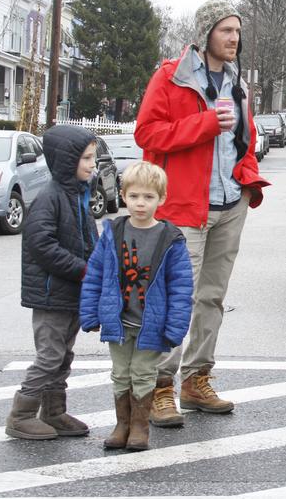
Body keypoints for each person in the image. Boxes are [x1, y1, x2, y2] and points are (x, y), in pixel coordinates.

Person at [134, 0, 269, 427]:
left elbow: (242, 142)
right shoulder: (171, 77)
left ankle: (196, 380)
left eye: (237, 31)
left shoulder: (238, 83)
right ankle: (159, 388)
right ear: (206, 33)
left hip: (231, 205)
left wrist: (248, 181)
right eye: (226, 30)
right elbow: (147, 133)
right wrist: (206, 123)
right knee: (178, 298)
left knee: (212, 298)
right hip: (183, 208)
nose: (234, 38)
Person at [79, 161, 193, 450]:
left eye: (148, 197)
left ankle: (140, 427)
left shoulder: (171, 239)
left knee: (142, 374)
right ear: (123, 195)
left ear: (161, 199)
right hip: (118, 321)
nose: (140, 204)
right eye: (134, 197)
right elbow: (95, 274)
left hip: (150, 324)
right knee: (120, 373)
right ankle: (122, 424)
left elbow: (181, 288)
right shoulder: (113, 232)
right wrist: (90, 312)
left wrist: (175, 328)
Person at [5, 125, 99, 440]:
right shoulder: (50, 197)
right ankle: (21, 415)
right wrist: (84, 270)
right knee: (49, 356)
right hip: (50, 296)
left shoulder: (78, 194)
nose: (92, 164)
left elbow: (87, 240)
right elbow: (41, 245)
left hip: (70, 294)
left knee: (64, 355)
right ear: (66, 160)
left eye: (93, 158)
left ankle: (54, 412)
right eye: (86, 158)